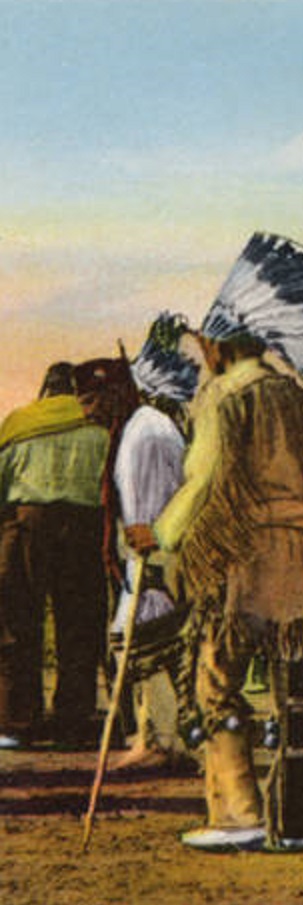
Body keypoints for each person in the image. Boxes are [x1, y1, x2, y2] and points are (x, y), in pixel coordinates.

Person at [152, 232, 303, 852]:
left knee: (216, 683)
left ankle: (239, 815)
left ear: (221, 347)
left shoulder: (225, 396)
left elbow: (205, 481)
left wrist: (162, 540)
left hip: (249, 564)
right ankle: (300, 825)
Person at [72, 314, 201, 769]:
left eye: (91, 400)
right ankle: (158, 737)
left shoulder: (144, 433)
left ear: (113, 392)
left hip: (155, 560)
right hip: (147, 560)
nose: (87, 412)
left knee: (144, 645)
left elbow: (148, 507)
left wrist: (148, 560)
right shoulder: (134, 428)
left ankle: (163, 741)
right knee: (142, 647)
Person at [0, 362, 109, 750]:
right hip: (84, 528)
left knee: (18, 622)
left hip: (27, 525)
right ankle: (72, 724)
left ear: (45, 390)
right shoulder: (97, 425)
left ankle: (17, 723)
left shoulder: (20, 422)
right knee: (78, 626)